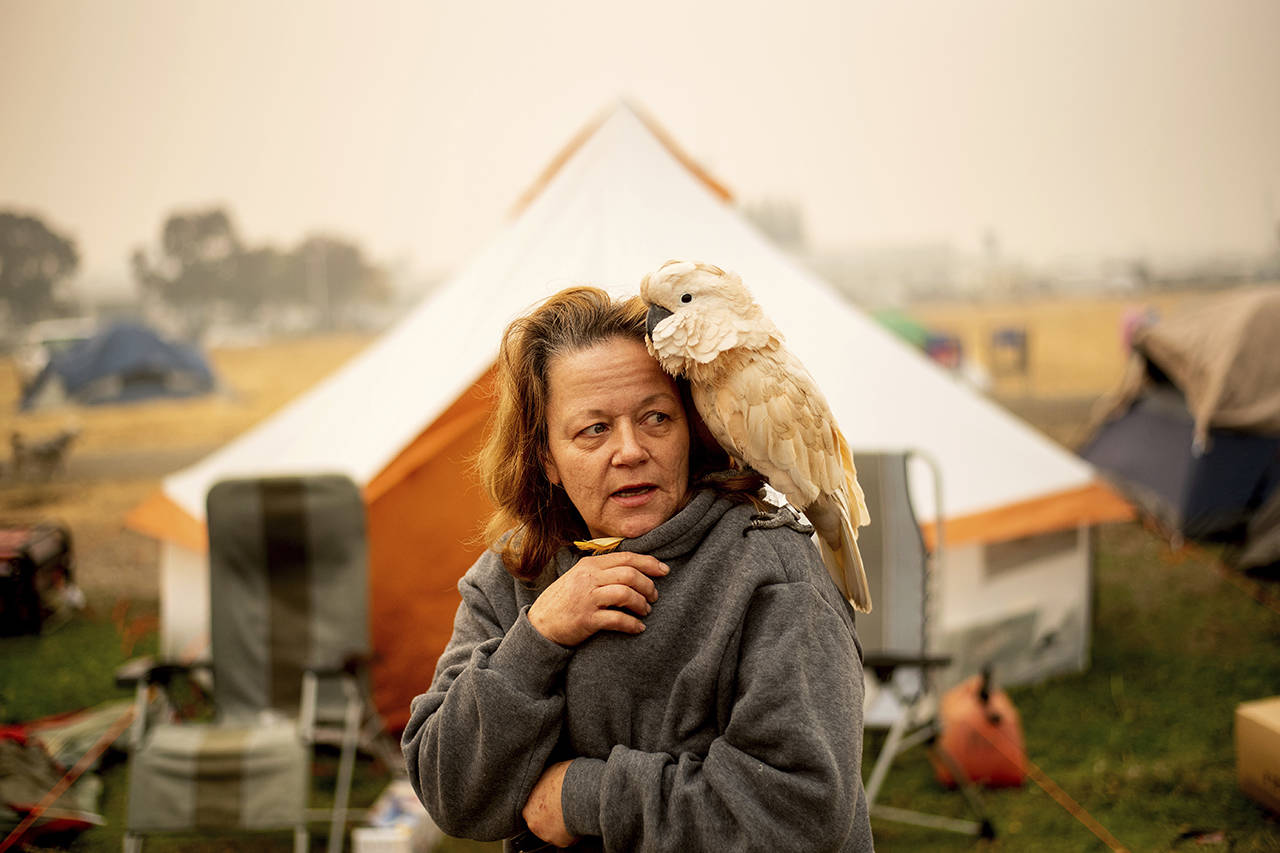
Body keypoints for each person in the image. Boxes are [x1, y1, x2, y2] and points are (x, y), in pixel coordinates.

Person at [402, 286, 874, 851]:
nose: (629, 450)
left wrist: (585, 797)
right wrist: (537, 638)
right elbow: (449, 792)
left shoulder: (769, 567)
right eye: (593, 429)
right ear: (546, 458)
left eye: (655, 418)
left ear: (694, 427)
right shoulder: (514, 573)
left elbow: (799, 813)